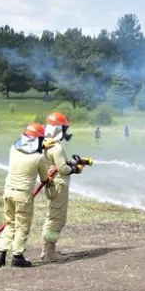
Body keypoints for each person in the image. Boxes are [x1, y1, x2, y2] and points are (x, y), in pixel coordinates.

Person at [0, 123, 54, 268]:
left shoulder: (13, 149)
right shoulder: (39, 158)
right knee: (22, 226)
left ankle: (1, 253)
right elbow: (44, 178)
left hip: (8, 192)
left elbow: (24, 146)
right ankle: (17, 256)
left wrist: (39, 145)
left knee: (10, 223)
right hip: (22, 196)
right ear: (38, 140)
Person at [40, 111, 91, 261]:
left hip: (52, 185)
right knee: (58, 219)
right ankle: (50, 254)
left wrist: (73, 162)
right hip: (59, 186)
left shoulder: (45, 144)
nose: (65, 131)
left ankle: (46, 250)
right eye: (63, 128)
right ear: (58, 129)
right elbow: (62, 169)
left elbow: (56, 163)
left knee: (51, 217)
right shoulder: (56, 147)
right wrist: (75, 169)